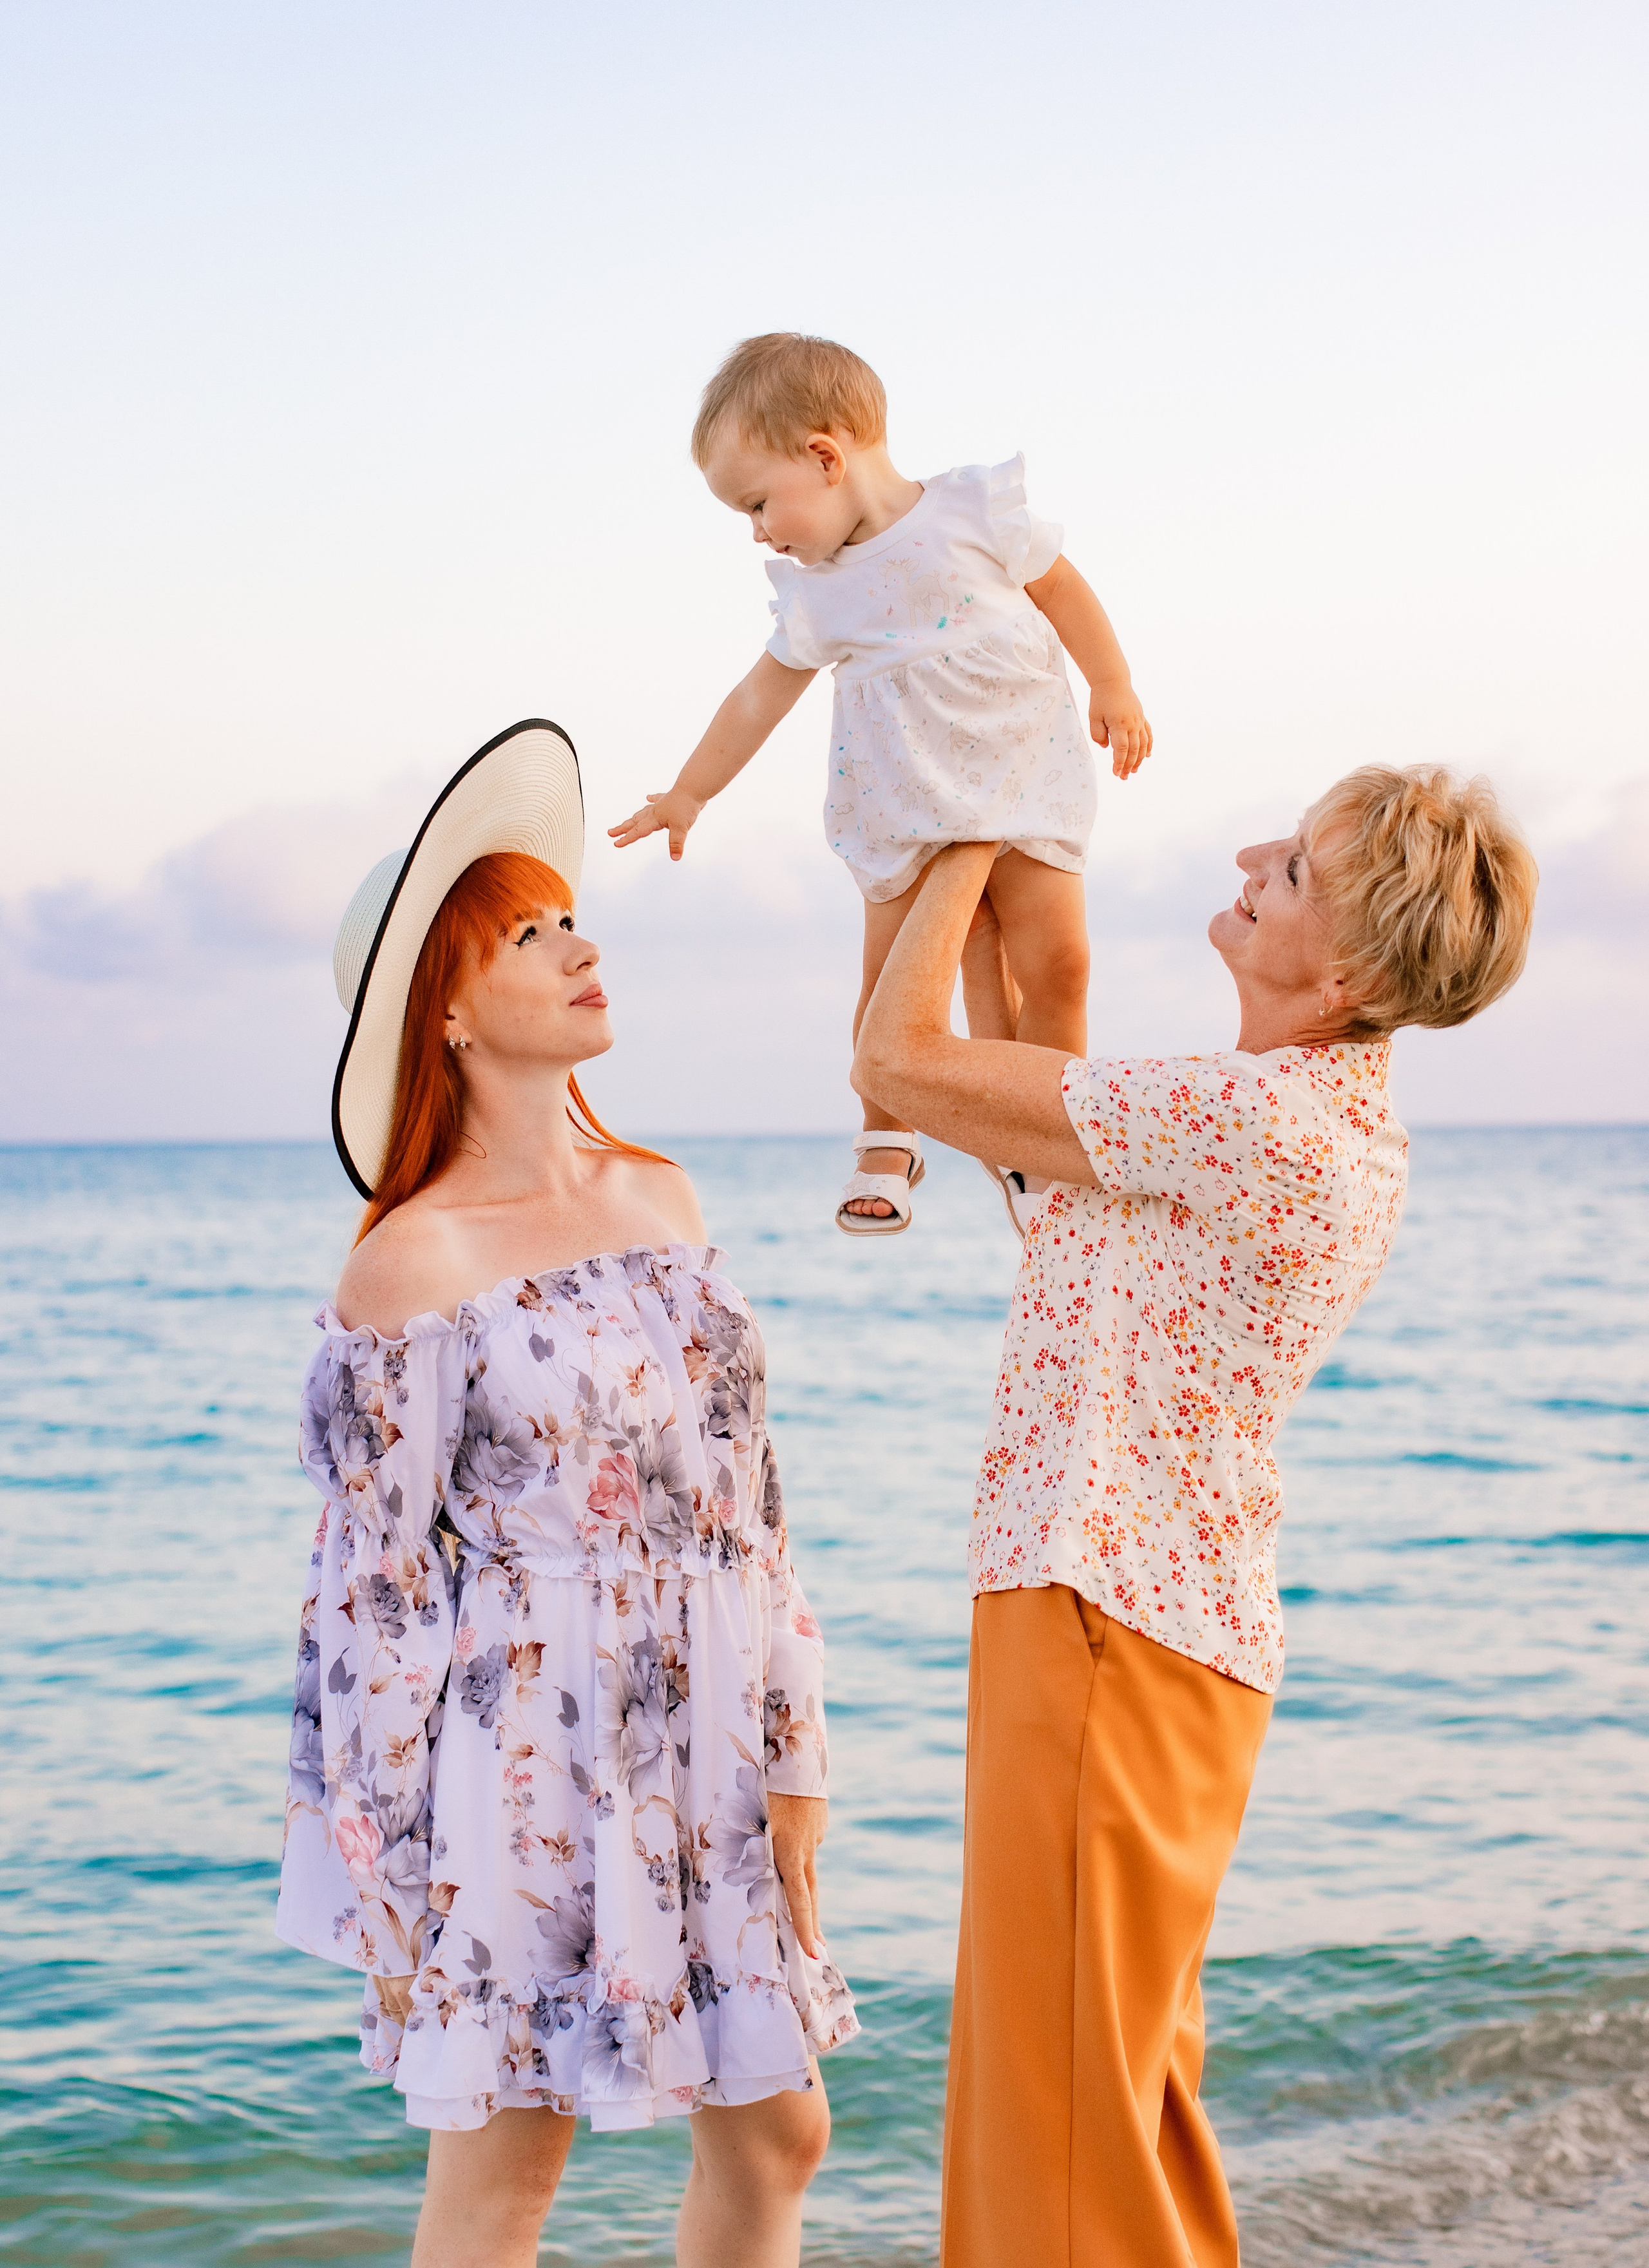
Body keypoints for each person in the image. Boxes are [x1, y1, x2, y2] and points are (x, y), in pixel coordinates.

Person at [850, 765, 1538, 2267]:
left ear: (1346, 975)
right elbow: (1020, 1126)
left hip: (1104, 1618)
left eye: (1291, 869)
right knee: (1115, 2094)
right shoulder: (1279, 1121)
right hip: (1144, 1625)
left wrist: (960, 830)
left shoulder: (1249, 1121)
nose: (1249, 857)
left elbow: (896, 1063)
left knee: (1066, 2113)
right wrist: (994, 882)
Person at [275, 721, 857, 2268]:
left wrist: (795, 1748)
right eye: (528, 936)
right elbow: (371, 1603)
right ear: (447, 1009)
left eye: (569, 919)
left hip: (707, 1731)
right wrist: (390, 1880)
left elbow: (753, 1509)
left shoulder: (659, 1195)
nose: (580, 947)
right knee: (506, 2173)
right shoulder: (410, 1266)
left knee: (779, 2131)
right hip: (520, 1752)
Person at [609, 331, 1152, 1237]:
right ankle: (887, 1138)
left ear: (825, 457)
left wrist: (1113, 682)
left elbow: (1062, 589)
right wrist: (689, 792)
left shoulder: (975, 511)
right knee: (894, 984)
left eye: (758, 503)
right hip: (906, 806)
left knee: (1058, 963)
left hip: (1024, 773)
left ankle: (1047, 1133)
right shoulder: (821, 592)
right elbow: (757, 698)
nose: (757, 533)